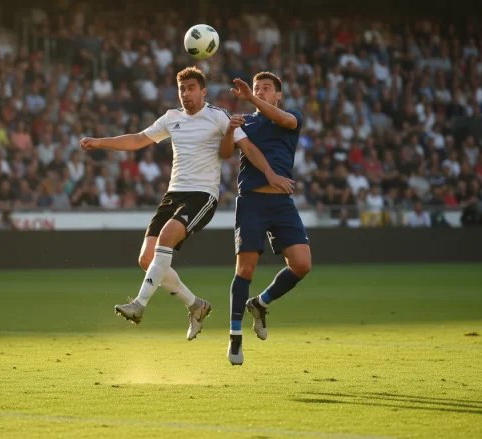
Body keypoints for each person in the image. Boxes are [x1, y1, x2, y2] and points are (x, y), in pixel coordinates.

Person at [79, 67, 292, 340]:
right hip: (173, 195)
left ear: (203, 91)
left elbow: (247, 148)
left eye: (191, 88)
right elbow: (137, 140)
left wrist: (271, 173)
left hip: (202, 195)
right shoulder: (171, 117)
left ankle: (139, 305)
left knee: (166, 238)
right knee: (147, 258)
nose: (186, 94)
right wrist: (99, 142)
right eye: (182, 89)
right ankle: (196, 305)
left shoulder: (218, 116)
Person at [224, 72, 311, 365]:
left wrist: (250, 98)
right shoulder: (243, 122)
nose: (260, 91)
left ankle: (260, 303)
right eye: (256, 87)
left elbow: (285, 121)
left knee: (302, 264)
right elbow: (237, 150)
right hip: (252, 201)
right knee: (245, 269)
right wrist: (229, 128)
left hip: (282, 202)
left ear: (278, 95)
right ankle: (235, 339)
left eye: (266, 88)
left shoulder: (291, 117)